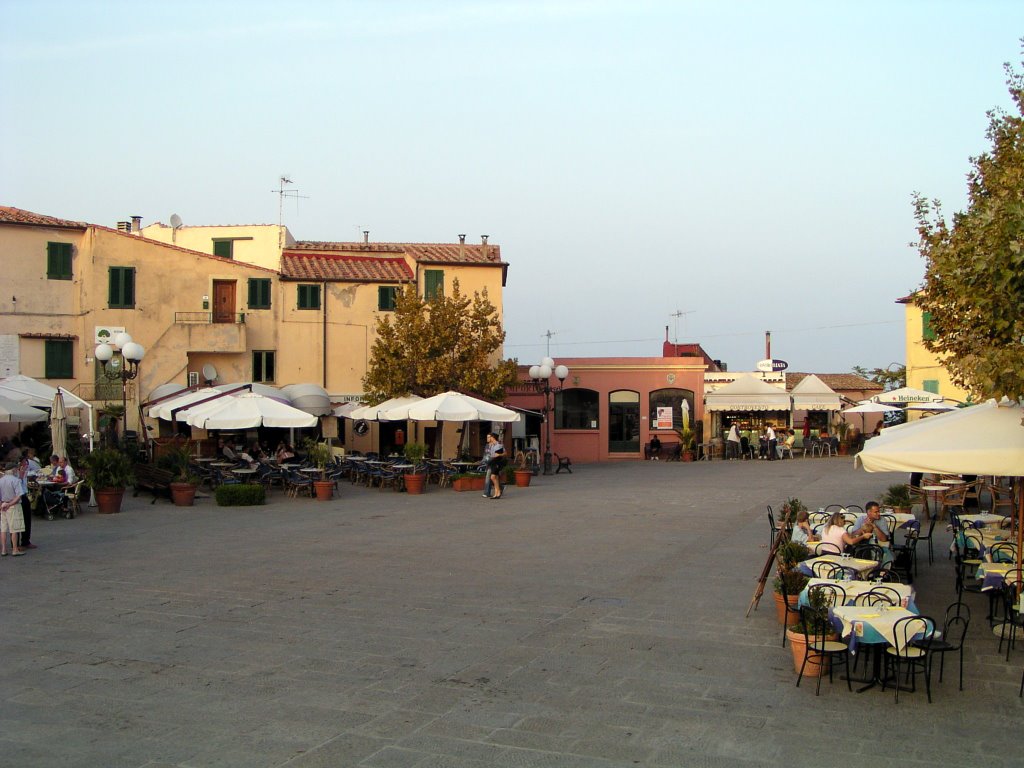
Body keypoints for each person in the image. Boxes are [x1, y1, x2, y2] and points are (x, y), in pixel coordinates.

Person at [0, 462, 26, 556]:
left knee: (3, 528)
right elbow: (18, 495)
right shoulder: (16, 480)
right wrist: (10, 504)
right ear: (13, 470)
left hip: (3, 505)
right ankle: (15, 549)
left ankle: (3, 549)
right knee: (14, 528)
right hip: (13, 506)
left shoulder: (1, 480)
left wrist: (2, 505)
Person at [483, 432, 506, 500]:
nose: (488, 438)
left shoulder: (498, 445)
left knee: (492, 477)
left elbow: (504, 453)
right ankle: (497, 492)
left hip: (497, 462)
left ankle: (492, 492)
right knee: (495, 478)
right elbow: (487, 454)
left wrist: (499, 455)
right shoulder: (489, 445)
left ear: (492, 437)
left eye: (489, 437)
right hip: (491, 462)